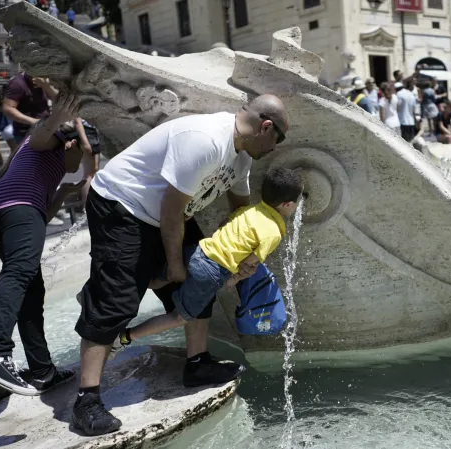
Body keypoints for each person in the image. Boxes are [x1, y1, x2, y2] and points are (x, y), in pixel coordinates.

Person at [71, 94, 289, 436]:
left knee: (202, 277)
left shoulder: (242, 156)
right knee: (116, 301)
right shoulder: (205, 141)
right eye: (279, 139)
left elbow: (240, 213)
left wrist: (241, 260)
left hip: (171, 214)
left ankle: (197, 363)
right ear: (265, 127)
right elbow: (171, 211)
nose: (276, 148)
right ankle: (87, 400)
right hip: (122, 205)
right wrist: (174, 265)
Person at [0, 92, 85, 396]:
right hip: (18, 204)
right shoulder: (52, 141)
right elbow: (41, 135)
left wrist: (61, 194)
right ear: (69, 142)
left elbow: (39, 218)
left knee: (31, 288)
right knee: (20, 272)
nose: (83, 158)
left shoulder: (42, 163)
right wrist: (59, 119)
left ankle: (42, 371)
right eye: (82, 151)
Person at [114, 168, 305, 350]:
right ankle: (125, 337)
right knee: (180, 318)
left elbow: (225, 223)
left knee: (157, 281)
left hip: (198, 251)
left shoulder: (250, 210)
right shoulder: (273, 232)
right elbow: (250, 261)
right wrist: (233, 280)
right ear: (287, 204)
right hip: (211, 272)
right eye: (297, 202)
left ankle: (115, 287)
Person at [3, 73, 53, 147]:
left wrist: (47, 86)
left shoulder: (44, 82)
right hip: (27, 133)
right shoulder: (17, 84)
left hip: (47, 129)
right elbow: (8, 109)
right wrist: (34, 121)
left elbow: (58, 99)